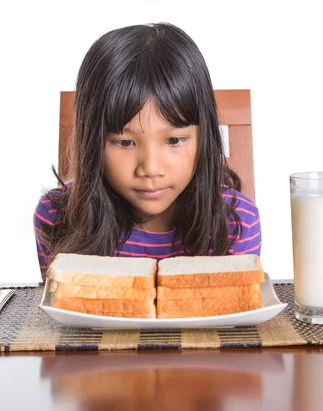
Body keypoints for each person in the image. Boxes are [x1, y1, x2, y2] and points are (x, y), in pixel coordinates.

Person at [33, 22, 261, 281]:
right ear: (91, 142)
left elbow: (233, 316)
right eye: (125, 142)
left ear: (204, 136)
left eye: (174, 140)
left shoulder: (235, 223)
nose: (151, 168)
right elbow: (66, 310)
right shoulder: (57, 217)